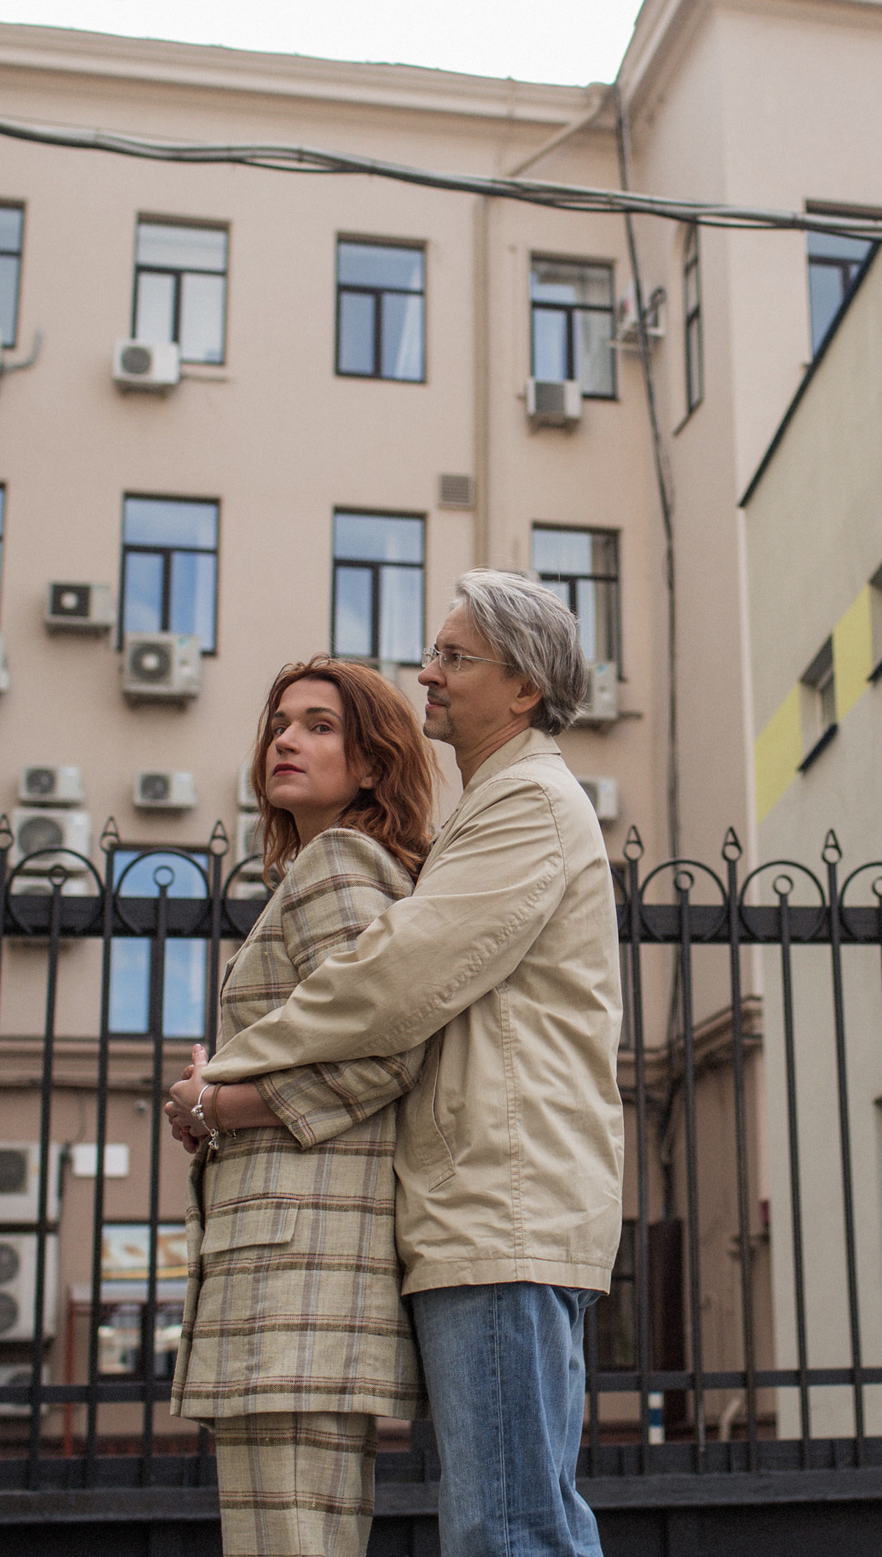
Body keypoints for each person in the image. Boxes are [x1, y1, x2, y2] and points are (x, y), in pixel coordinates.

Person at [203, 569, 624, 1557]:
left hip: (501, 1207)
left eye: (452, 657)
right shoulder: (497, 804)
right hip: (480, 1207)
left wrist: (226, 1081)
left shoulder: (528, 802)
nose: (426, 673)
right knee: (515, 1524)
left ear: (523, 686)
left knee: (510, 1531)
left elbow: (400, 978)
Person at [162, 656, 437, 1557]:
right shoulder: (325, 870)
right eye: (282, 722)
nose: (286, 737)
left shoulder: (338, 864)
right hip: (289, 1292)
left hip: (296, 1296)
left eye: (320, 724)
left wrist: (216, 1106)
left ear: (371, 764)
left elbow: (386, 1051)